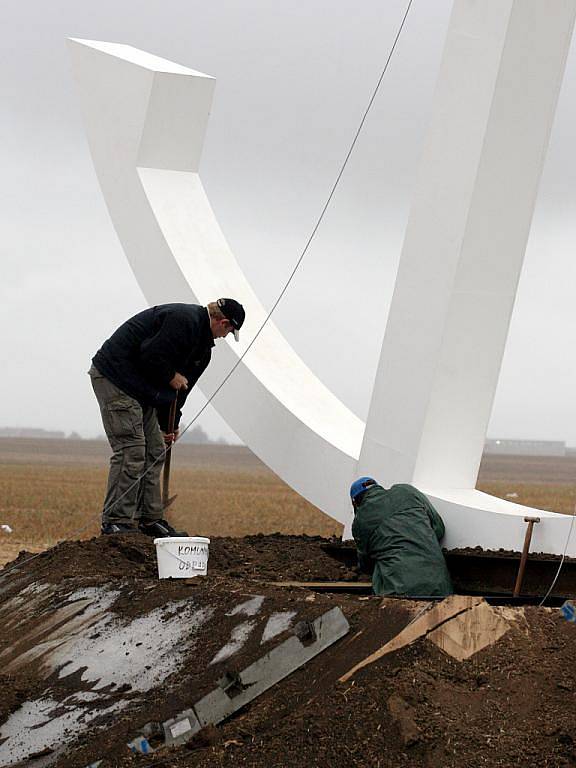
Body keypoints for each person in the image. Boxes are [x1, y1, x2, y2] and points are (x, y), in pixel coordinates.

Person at [89, 299, 245, 537]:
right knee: (132, 449)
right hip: (116, 378)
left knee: (154, 450)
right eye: (229, 331)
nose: (225, 337)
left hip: (141, 389)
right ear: (223, 322)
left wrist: (169, 426)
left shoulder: (203, 352)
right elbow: (150, 355)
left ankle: (149, 520)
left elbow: (179, 392)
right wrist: (171, 375)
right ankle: (115, 522)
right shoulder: (183, 321)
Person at [350, 477, 453, 597]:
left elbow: (366, 564)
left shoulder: (360, 521)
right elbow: (439, 529)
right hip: (441, 587)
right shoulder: (406, 491)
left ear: (355, 502)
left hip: (398, 591)